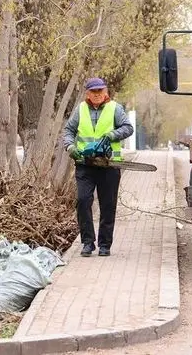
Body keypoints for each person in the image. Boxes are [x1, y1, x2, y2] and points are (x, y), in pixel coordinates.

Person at [63, 77, 134, 257]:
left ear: (105, 92)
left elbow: (128, 128)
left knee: (108, 206)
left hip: (109, 165)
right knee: (83, 201)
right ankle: (87, 242)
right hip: (85, 165)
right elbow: (68, 131)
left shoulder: (115, 109)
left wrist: (113, 134)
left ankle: (105, 245)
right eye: (94, 92)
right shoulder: (80, 110)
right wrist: (71, 147)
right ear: (87, 93)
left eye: (100, 91)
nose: (97, 95)